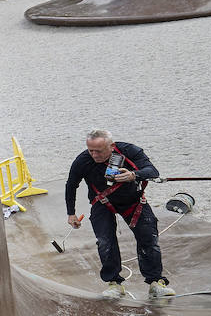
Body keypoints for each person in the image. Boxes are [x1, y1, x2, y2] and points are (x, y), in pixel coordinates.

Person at [64, 129, 175, 301]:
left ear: (112, 146)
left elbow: (152, 171)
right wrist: (71, 213)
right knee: (105, 241)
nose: (94, 155)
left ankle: (155, 282)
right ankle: (114, 283)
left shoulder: (129, 151)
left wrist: (133, 175)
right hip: (102, 203)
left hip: (133, 202)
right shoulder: (83, 160)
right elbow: (71, 185)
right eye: (90, 150)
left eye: (98, 151)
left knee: (148, 238)